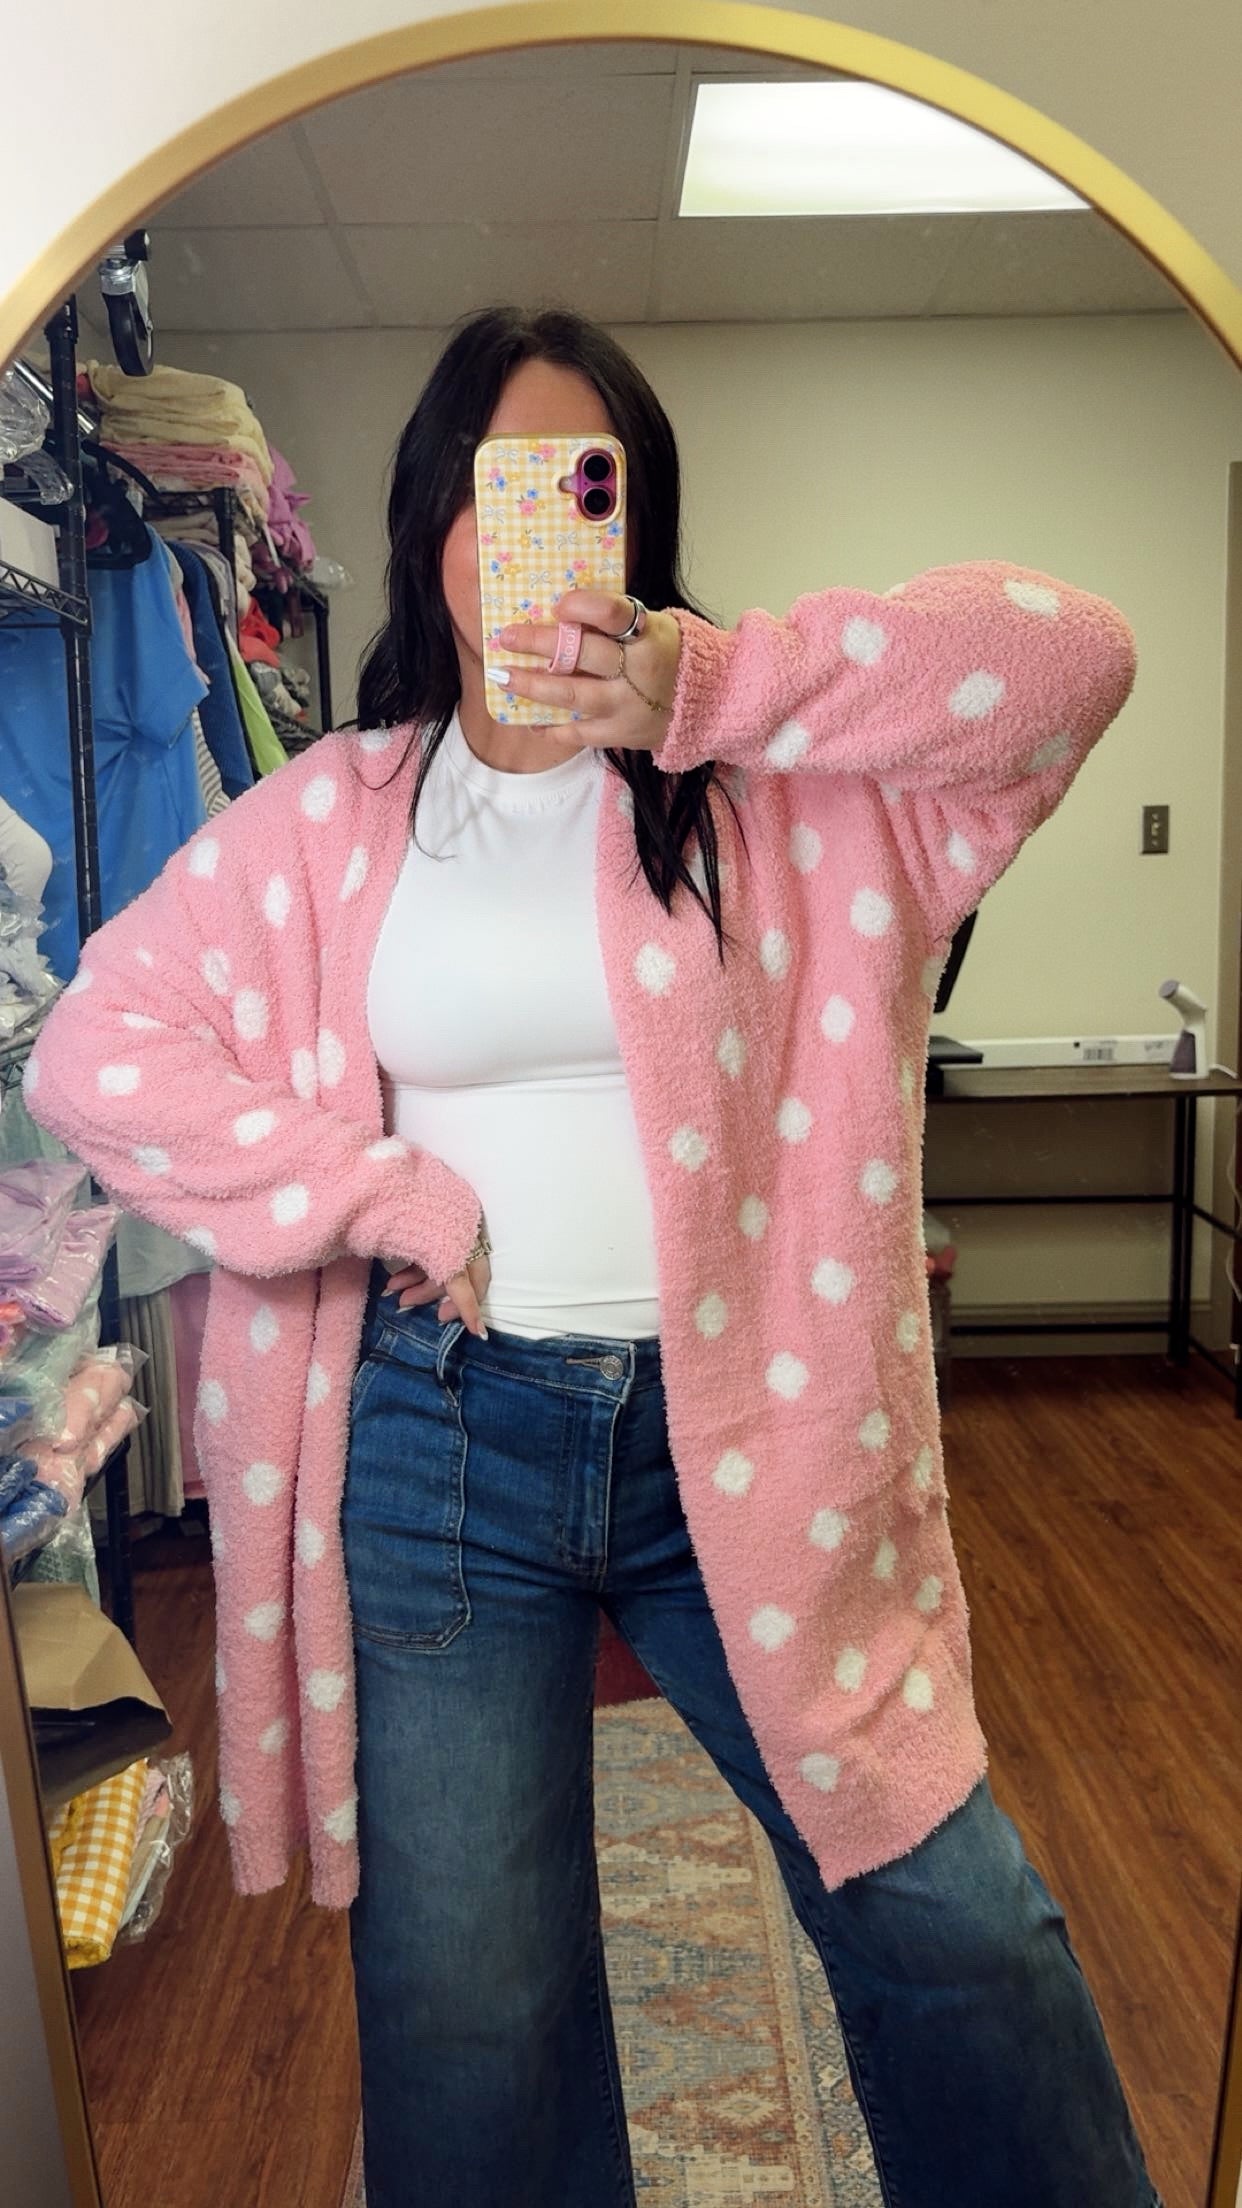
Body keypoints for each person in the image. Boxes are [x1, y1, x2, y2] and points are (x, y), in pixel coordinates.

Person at [26, 307, 1162, 2208]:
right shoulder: (332, 817)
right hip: (444, 1445)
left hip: (762, 1441)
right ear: (430, 527)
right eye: (491, 491)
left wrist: (711, 690)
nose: (530, 537)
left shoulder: (785, 787)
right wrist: (377, 1190)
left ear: (631, 525)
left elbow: (1073, 654)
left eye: (579, 486)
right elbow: (92, 1054)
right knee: (472, 2005)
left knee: (953, 1919)